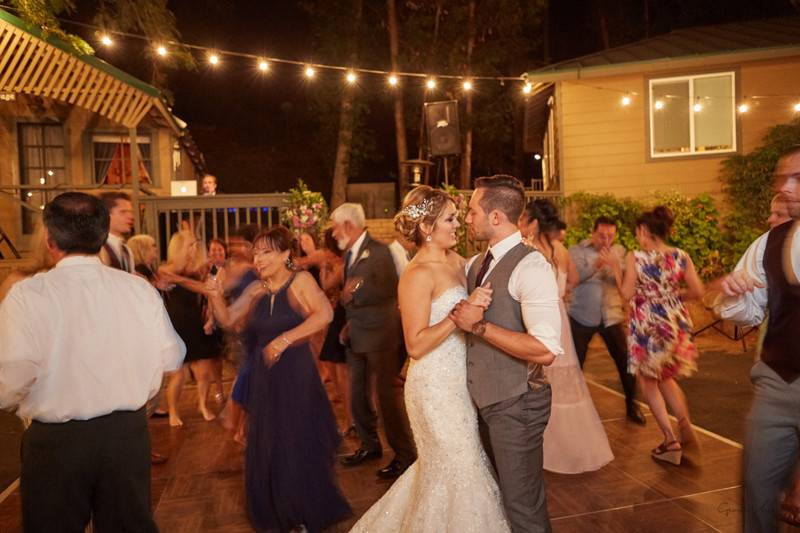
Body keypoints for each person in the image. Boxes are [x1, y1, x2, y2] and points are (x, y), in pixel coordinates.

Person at [0, 192, 185, 532]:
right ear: (102, 235)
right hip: (125, 435)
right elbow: (171, 356)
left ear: (49, 238)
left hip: (57, 441)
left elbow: (11, 379)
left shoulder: (29, 295)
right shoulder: (138, 289)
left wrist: (19, 403)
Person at [351, 185, 510, 531]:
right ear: (426, 227)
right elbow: (416, 346)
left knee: (449, 471)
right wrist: (459, 313)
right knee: (460, 467)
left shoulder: (458, 262)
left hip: (460, 383)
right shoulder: (416, 275)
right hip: (434, 389)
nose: (458, 224)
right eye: (450, 219)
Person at [206, 226, 351, 532]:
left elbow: (323, 314)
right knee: (268, 443)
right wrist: (216, 297)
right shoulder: (257, 289)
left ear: (285, 254)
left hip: (295, 377)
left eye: (266, 252)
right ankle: (277, 511)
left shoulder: (299, 281)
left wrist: (285, 339)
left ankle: (300, 512)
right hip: (265, 378)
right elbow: (229, 320)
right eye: (256, 252)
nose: (258, 259)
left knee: (294, 441)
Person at [449, 175, 564, 532]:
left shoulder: (532, 266)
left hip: (517, 404)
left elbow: (545, 350)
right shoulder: (476, 263)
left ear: (496, 217)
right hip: (486, 401)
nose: (467, 219)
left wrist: (479, 327)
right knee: (500, 500)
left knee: (522, 508)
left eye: (471, 212)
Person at [715, 146, 800, 533]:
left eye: (797, 177)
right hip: (777, 383)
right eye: (782, 177)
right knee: (758, 489)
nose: (785, 186)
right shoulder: (769, 243)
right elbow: (744, 311)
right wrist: (734, 291)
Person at [520, 199, 613, 474]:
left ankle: (546, 448)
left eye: (525, 219)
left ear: (534, 223)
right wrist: (560, 293)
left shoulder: (528, 250)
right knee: (564, 379)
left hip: (538, 317)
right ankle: (572, 446)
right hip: (558, 315)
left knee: (539, 378)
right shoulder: (559, 249)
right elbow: (573, 279)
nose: (521, 223)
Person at [608, 206, 704, 466]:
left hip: (648, 325)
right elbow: (697, 290)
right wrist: (672, 296)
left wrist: (616, 270)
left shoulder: (636, 257)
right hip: (675, 324)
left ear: (644, 231)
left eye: (638, 231)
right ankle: (686, 428)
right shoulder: (681, 255)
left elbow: (627, 294)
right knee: (667, 378)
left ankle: (670, 441)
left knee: (648, 382)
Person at [332, 203, 417, 479]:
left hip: (381, 336)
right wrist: (349, 320)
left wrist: (354, 292)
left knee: (386, 399)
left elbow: (391, 292)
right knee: (357, 396)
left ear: (348, 225)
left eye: (335, 227)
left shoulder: (379, 252)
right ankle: (370, 445)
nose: (333, 233)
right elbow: (349, 292)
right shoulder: (349, 256)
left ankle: (404, 455)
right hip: (357, 334)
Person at [568, 216, 647, 425]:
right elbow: (574, 278)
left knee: (625, 362)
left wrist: (614, 266)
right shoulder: (577, 250)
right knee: (576, 364)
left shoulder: (620, 251)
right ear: (593, 232)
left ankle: (632, 405)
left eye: (610, 236)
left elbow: (624, 280)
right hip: (581, 316)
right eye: (602, 235)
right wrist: (597, 264)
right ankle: (574, 410)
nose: (606, 240)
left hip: (611, 315)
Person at [160, 230, 222, 426]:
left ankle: (203, 405)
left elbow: (208, 289)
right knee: (178, 373)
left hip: (197, 320)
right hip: (176, 323)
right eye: (190, 244)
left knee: (203, 371)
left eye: (196, 244)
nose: (195, 248)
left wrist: (179, 280)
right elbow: (199, 286)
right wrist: (181, 279)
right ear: (179, 247)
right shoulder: (165, 268)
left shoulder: (201, 268)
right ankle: (173, 412)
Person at [318, 228, 353, 435]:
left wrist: (324, 268)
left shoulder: (340, 264)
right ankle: (352, 418)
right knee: (337, 364)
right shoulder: (347, 261)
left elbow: (325, 285)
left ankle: (351, 420)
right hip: (341, 313)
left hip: (341, 315)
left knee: (341, 369)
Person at [98, 191, 135, 272]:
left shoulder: (126, 250)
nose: (131, 217)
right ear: (106, 214)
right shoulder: (96, 249)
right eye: (123, 212)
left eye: (131, 212)